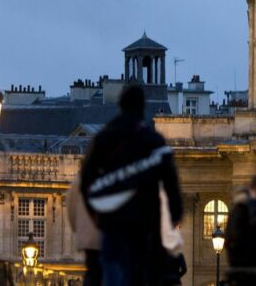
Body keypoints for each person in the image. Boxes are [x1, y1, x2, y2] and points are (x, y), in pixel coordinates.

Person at [80, 85, 183, 286]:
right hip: (145, 229)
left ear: (120, 106)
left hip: (112, 226)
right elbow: (172, 188)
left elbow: (86, 181)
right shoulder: (154, 141)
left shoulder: (103, 139)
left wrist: (97, 214)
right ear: (143, 107)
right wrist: (172, 220)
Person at [65, 177, 102, 286]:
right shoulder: (119, 175)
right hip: (112, 241)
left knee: (92, 273)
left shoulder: (80, 181)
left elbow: (71, 214)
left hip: (89, 242)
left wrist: (81, 232)